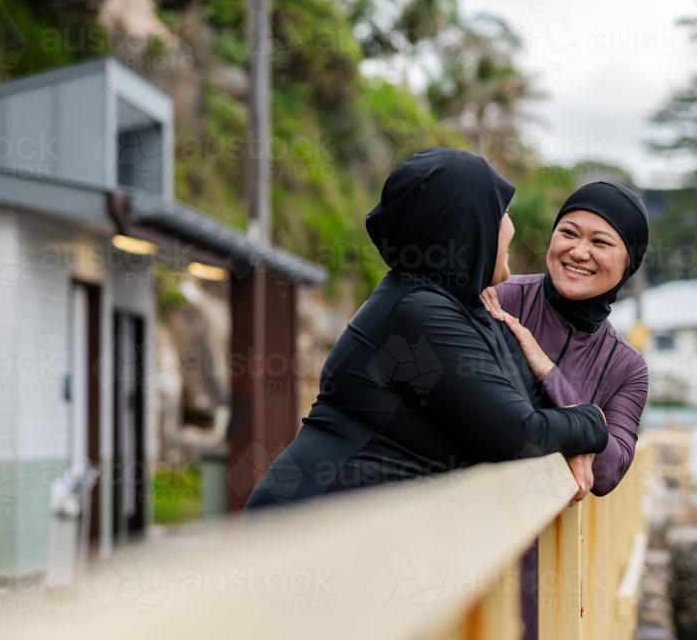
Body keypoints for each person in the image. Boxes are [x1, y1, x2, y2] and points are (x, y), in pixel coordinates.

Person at [243, 148, 608, 511]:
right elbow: (520, 436)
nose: (513, 229)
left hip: (361, 533)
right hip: (305, 528)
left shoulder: (466, 306)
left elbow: (532, 410)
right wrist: (594, 420)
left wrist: (570, 435)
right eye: (505, 214)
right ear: (471, 224)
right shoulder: (416, 312)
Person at [480, 181, 650, 640]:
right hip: (466, 529)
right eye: (568, 233)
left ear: (628, 262)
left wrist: (543, 366)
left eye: (600, 242)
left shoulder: (626, 365)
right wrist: (580, 433)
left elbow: (611, 469)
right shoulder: (501, 297)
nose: (578, 251)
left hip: (547, 561)